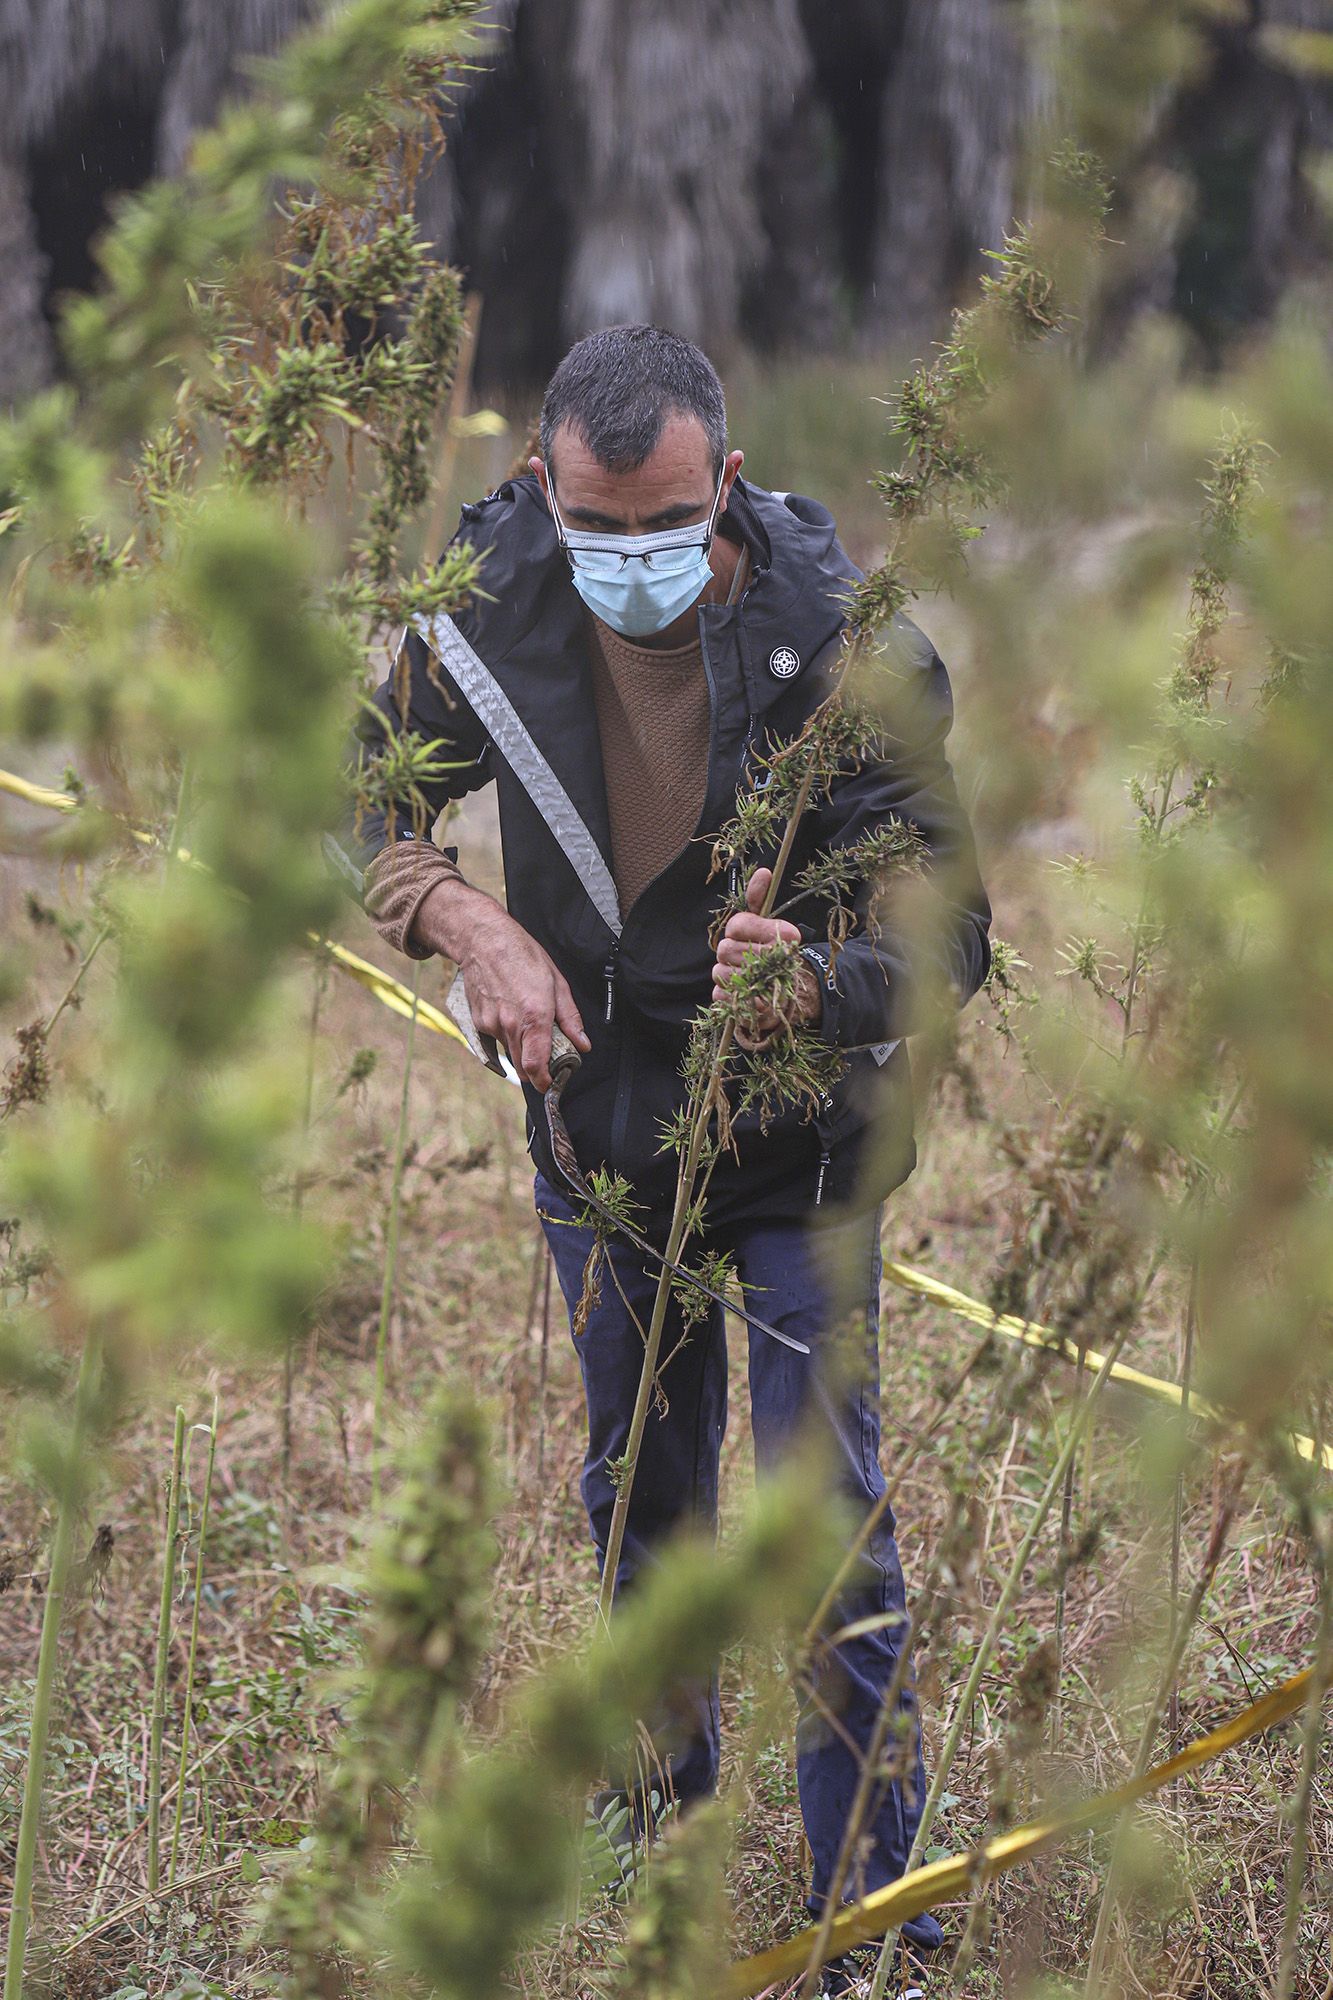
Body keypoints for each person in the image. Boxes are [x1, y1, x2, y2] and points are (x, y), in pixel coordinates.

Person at [336, 324, 991, 1997]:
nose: (629, 564)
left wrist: (821, 986)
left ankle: (874, 1916)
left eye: (665, 528)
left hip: (802, 1152)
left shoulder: (845, 651)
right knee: (644, 1503)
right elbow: (362, 800)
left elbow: (952, 926)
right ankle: (661, 1848)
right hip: (603, 1144)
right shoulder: (483, 610)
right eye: (594, 528)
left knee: (818, 1515)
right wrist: (465, 919)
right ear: (541, 488)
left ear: (732, 482)